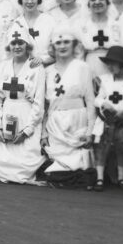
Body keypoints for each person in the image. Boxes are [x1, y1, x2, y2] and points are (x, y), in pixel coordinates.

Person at [42, 27, 96, 187]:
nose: (62, 46)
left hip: (77, 121)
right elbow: (45, 107)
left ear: (73, 45)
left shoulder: (82, 67)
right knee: (55, 168)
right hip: (55, 124)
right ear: (53, 46)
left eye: (66, 42)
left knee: (79, 164)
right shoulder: (47, 71)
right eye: (58, 43)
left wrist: (90, 131)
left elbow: (90, 100)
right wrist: (44, 133)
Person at [0, 25, 46, 184]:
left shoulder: (36, 67)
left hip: (26, 113)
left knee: (25, 157)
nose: (17, 46)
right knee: (4, 153)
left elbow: (39, 101)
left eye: (20, 43)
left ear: (27, 45)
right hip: (7, 111)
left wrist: (28, 130)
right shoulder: (3, 66)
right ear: (9, 46)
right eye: (14, 43)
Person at [92, 46, 123, 192]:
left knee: (121, 148)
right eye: (108, 63)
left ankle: (122, 178)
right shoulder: (104, 80)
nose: (109, 67)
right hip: (106, 121)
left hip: (122, 122)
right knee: (102, 148)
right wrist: (104, 103)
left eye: (113, 63)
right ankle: (99, 178)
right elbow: (97, 99)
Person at [75, 0, 119, 78]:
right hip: (90, 65)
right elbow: (78, 54)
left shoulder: (117, 25)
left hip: (113, 65)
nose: (97, 2)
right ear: (88, 4)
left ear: (107, 2)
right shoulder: (81, 26)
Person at [14, 0, 55, 67]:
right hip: (25, 70)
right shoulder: (16, 23)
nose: (30, 1)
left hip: (49, 67)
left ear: (38, 0)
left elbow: (57, 50)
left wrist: (43, 60)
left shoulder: (50, 20)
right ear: (21, 1)